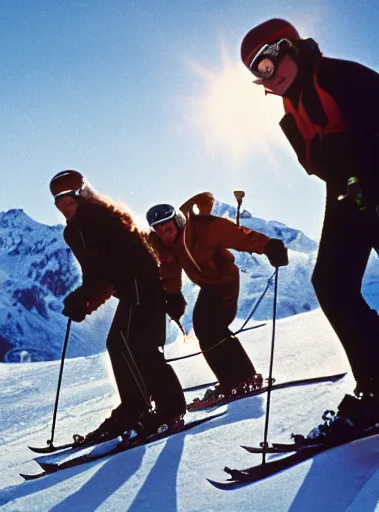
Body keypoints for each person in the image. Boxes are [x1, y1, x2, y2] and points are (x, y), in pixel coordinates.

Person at [240, 18, 379, 440]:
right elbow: (317, 165)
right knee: (332, 283)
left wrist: (364, 174)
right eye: (256, 73)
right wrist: (349, 177)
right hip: (349, 193)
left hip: (371, 183)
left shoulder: (337, 75)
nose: (265, 77)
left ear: (288, 48)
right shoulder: (290, 113)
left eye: (266, 64)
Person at [50, 169, 187, 441]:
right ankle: (137, 407)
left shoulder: (102, 221)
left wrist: (84, 298)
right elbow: (95, 274)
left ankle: (156, 408)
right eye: (59, 204)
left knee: (131, 343)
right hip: (132, 289)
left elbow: (110, 269)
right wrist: (85, 301)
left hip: (143, 286)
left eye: (69, 202)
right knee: (123, 343)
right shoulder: (76, 230)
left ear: (83, 197)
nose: (64, 210)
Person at [146, 192, 289, 407]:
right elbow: (170, 269)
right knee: (210, 328)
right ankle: (244, 377)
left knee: (209, 327)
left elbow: (237, 234)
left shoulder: (201, 227)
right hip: (208, 285)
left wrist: (268, 246)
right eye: (160, 231)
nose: (165, 235)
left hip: (225, 281)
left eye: (168, 229)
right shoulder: (166, 244)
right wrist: (173, 295)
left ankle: (234, 381)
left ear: (176, 221)